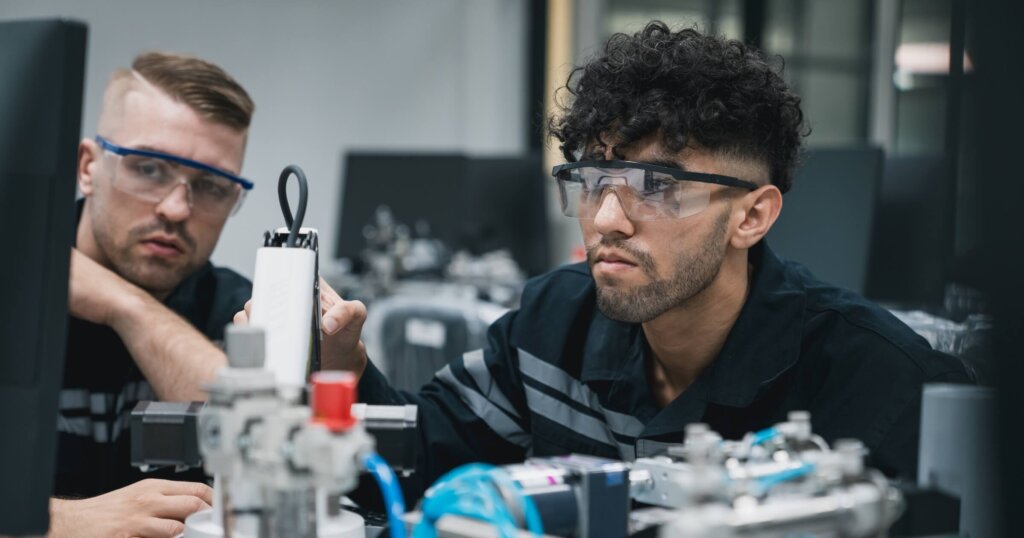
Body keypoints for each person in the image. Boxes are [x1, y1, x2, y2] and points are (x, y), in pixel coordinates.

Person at [245, 22, 973, 499]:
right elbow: (406, 470)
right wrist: (340, 365)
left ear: (752, 215)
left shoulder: (877, 381)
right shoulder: (549, 324)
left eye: (658, 186)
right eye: (593, 181)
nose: (608, 219)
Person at [50, 52, 255, 537]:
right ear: (88, 168)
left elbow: (255, 445)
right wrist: (61, 521)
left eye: (211, 186)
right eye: (149, 169)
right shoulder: (16, 279)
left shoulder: (235, 307)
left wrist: (125, 305)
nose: (177, 208)